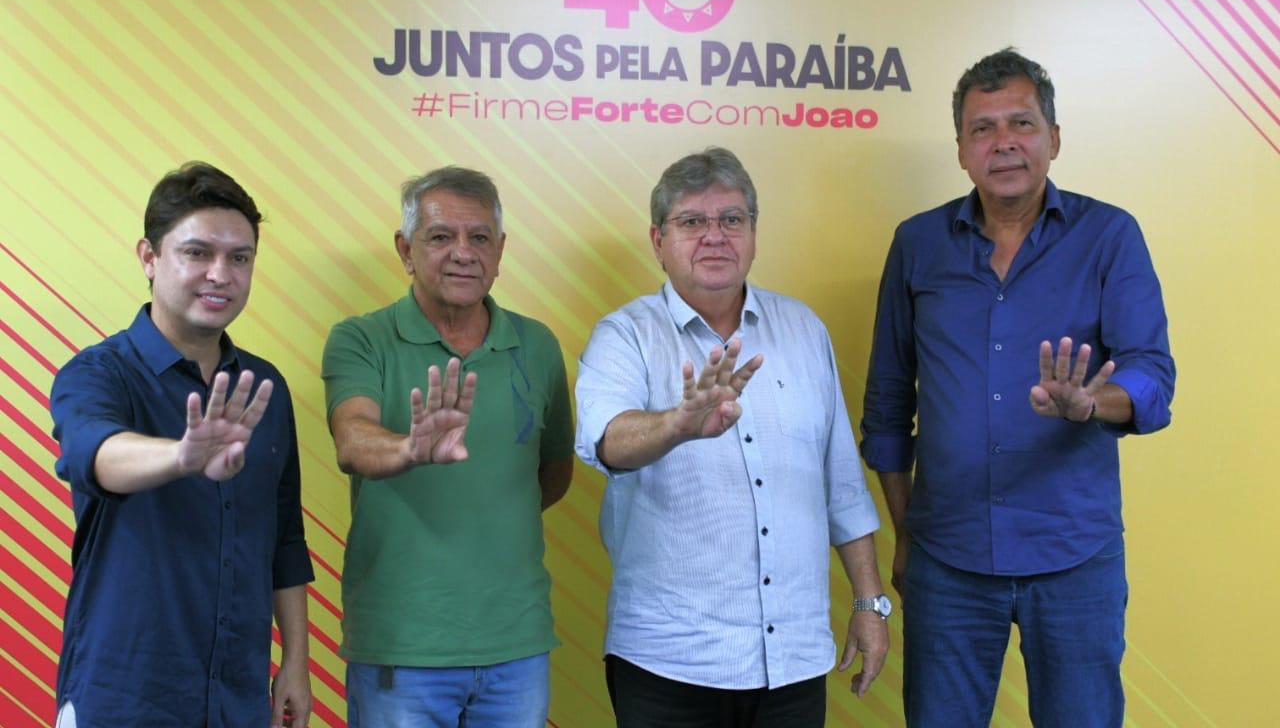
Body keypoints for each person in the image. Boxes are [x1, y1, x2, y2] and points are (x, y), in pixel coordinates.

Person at [861, 48, 1176, 727]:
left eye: (1022, 123)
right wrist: (906, 532)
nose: (1003, 142)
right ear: (961, 150)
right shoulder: (917, 245)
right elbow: (887, 408)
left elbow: (1152, 376)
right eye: (983, 128)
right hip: (946, 559)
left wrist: (1090, 403)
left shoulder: (1109, 236)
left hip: (1074, 556)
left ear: (1053, 138)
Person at [575, 147, 890, 728]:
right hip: (669, 660)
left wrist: (869, 602)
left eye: (731, 219)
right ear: (658, 240)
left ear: (753, 232)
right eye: (692, 221)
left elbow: (842, 483)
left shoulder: (803, 328)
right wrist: (675, 425)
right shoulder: (625, 335)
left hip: (792, 659)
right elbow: (607, 441)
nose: (715, 236)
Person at [49, 162, 314, 728]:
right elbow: (97, 455)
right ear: (149, 257)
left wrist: (296, 660)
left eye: (239, 258)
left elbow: (285, 538)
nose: (221, 274)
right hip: (122, 696)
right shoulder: (96, 374)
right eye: (197, 253)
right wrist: (181, 457)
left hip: (238, 699)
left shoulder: (263, 387)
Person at [321, 166, 574, 727]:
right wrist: (409, 449)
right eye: (440, 236)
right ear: (405, 250)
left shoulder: (537, 345)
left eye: (479, 237)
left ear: (500, 250)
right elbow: (352, 438)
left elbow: (553, 471)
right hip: (400, 646)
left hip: (517, 645)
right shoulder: (360, 339)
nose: (463, 252)